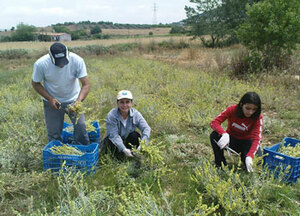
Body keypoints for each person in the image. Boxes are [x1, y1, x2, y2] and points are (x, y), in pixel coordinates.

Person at [32, 42, 90, 145]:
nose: (62, 65)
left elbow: (86, 85)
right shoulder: (41, 64)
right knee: (54, 133)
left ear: (67, 54)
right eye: (58, 62)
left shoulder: (77, 60)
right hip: (52, 102)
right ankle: (57, 156)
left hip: (73, 99)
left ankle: (83, 154)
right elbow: (35, 84)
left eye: (64, 61)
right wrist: (50, 99)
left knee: (81, 127)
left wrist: (78, 102)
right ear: (51, 57)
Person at [209, 92, 263, 172]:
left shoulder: (258, 117)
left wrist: (250, 156)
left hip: (247, 143)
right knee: (214, 135)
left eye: (254, 109)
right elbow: (214, 122)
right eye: (247, 108)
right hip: (231, 140)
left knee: (257, 163)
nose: (250, 112)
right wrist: (223, 133)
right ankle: (220, 165)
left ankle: (244, 159)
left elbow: (257, 138)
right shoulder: (232, 109)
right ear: (241, 105)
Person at [102, 90, 151, 159]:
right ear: (117, 103)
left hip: (128, 139)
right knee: (109, 145)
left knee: (135, 135)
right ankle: (118, 156)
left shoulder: (135, 114)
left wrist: (143, 144)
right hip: (115, 141)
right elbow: (114, 135)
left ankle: (134, 154)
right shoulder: (112, 115)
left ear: (131, 103)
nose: (125, 105)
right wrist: (123, 149)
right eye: (122, 102)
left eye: (127, 102)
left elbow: (146, 128)